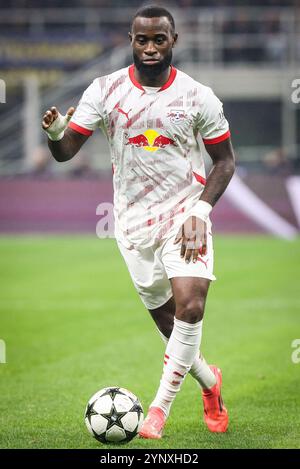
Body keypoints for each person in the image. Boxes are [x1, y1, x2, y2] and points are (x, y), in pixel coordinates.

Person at [42, 5, 235, 439]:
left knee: (191, 308)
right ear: (131, 40)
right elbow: (67, 151)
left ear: (173, 41)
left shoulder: (197, 96)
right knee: (171, 328)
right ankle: (210, 382)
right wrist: (56, 133)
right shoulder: (105, 90)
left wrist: (200, 212)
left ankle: (157, 412)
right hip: (131, 225)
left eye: (159, 39)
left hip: (186, 216)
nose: (150, 48)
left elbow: (224, 162)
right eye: (142, 40)